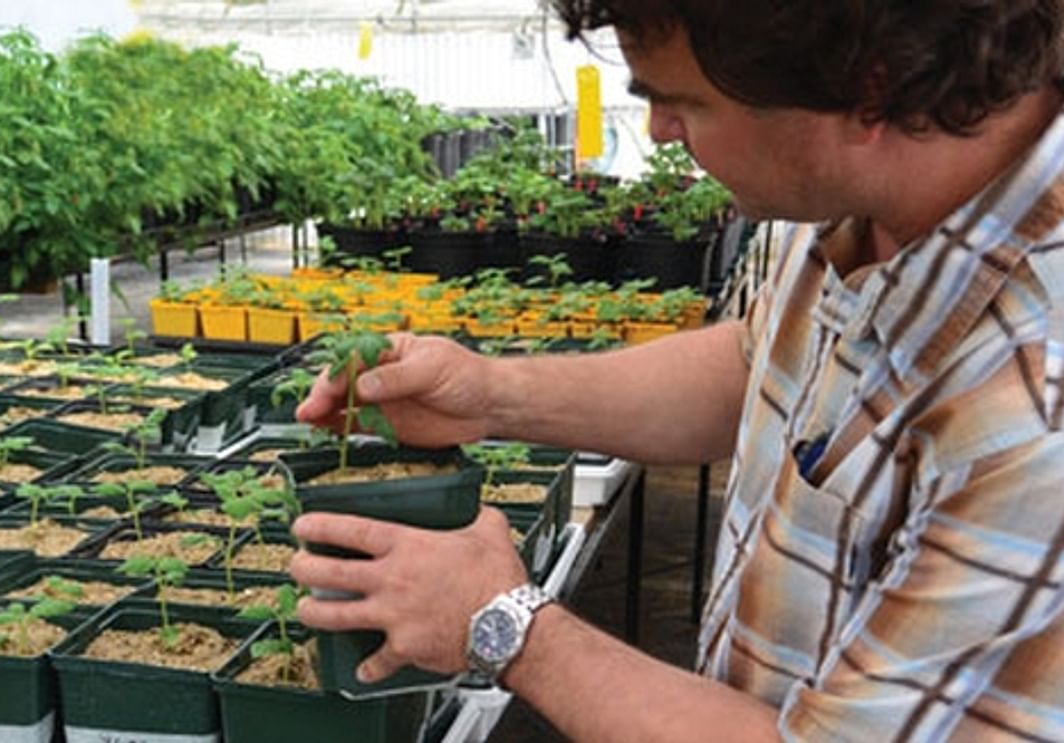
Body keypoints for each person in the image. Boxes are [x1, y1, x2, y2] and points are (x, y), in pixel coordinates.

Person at [289, 2, 1064, 740]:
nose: (659, 132)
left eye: (684, 102)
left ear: (868, 88)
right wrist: (490, 394)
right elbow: (755, 367)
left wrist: (504, 623)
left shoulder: (1033, 401)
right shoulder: (870, 192)